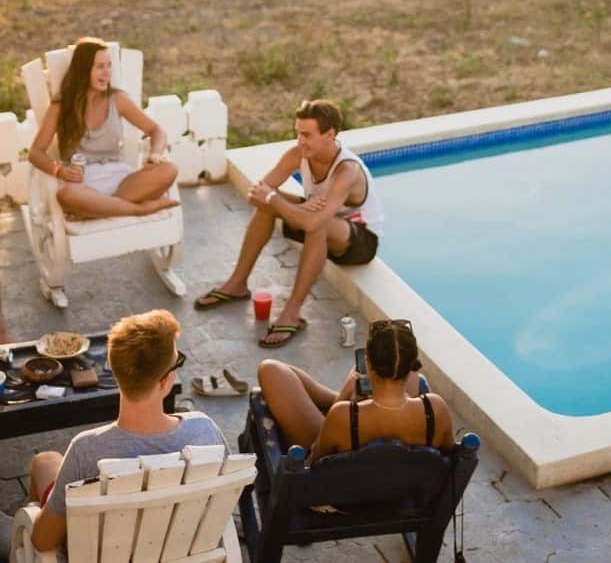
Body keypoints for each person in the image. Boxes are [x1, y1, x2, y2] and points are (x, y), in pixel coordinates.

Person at [21, 310, 225, 555]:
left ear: (116, 373)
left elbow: (43, 542)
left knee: (44, 462)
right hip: (180, 547)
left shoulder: (86, 450)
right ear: (164, 381)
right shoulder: (204, 431)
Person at [194, 99, 385, 348]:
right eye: (298, 133)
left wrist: (277, 199)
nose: (300, 141)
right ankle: (237, 284)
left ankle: (292, 314)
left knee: (313, 222)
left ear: (330, 134)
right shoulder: (298, 154)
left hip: (358, 240)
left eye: (307, 135)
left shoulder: (346, 170)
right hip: (319, 218)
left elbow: (311, 220)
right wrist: (286, 204)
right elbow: (256, 193)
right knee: (267, 207)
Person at [255, 319, 455, 460]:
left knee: (270, 369)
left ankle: (350, 395)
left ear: (368, 364)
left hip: (347, 493)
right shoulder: (436, 409)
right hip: (403, 490)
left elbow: (314, 465)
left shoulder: (343, 416)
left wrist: (343, 398)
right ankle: (358, 396)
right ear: (411, 365)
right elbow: (446, 455)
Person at [27, 37, 179, 218]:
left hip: (120, 179)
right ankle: (139, 209)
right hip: (83, 183)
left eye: (109, 66)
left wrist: (155, 154)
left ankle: (100, 208)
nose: (107, 74)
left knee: (169, 170)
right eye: (100, 67)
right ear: (83, 70)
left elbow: (156, 130)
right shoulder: (61, 106)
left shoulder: (117, 99)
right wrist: (58, 170)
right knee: (65, 195)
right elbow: (35, 152)